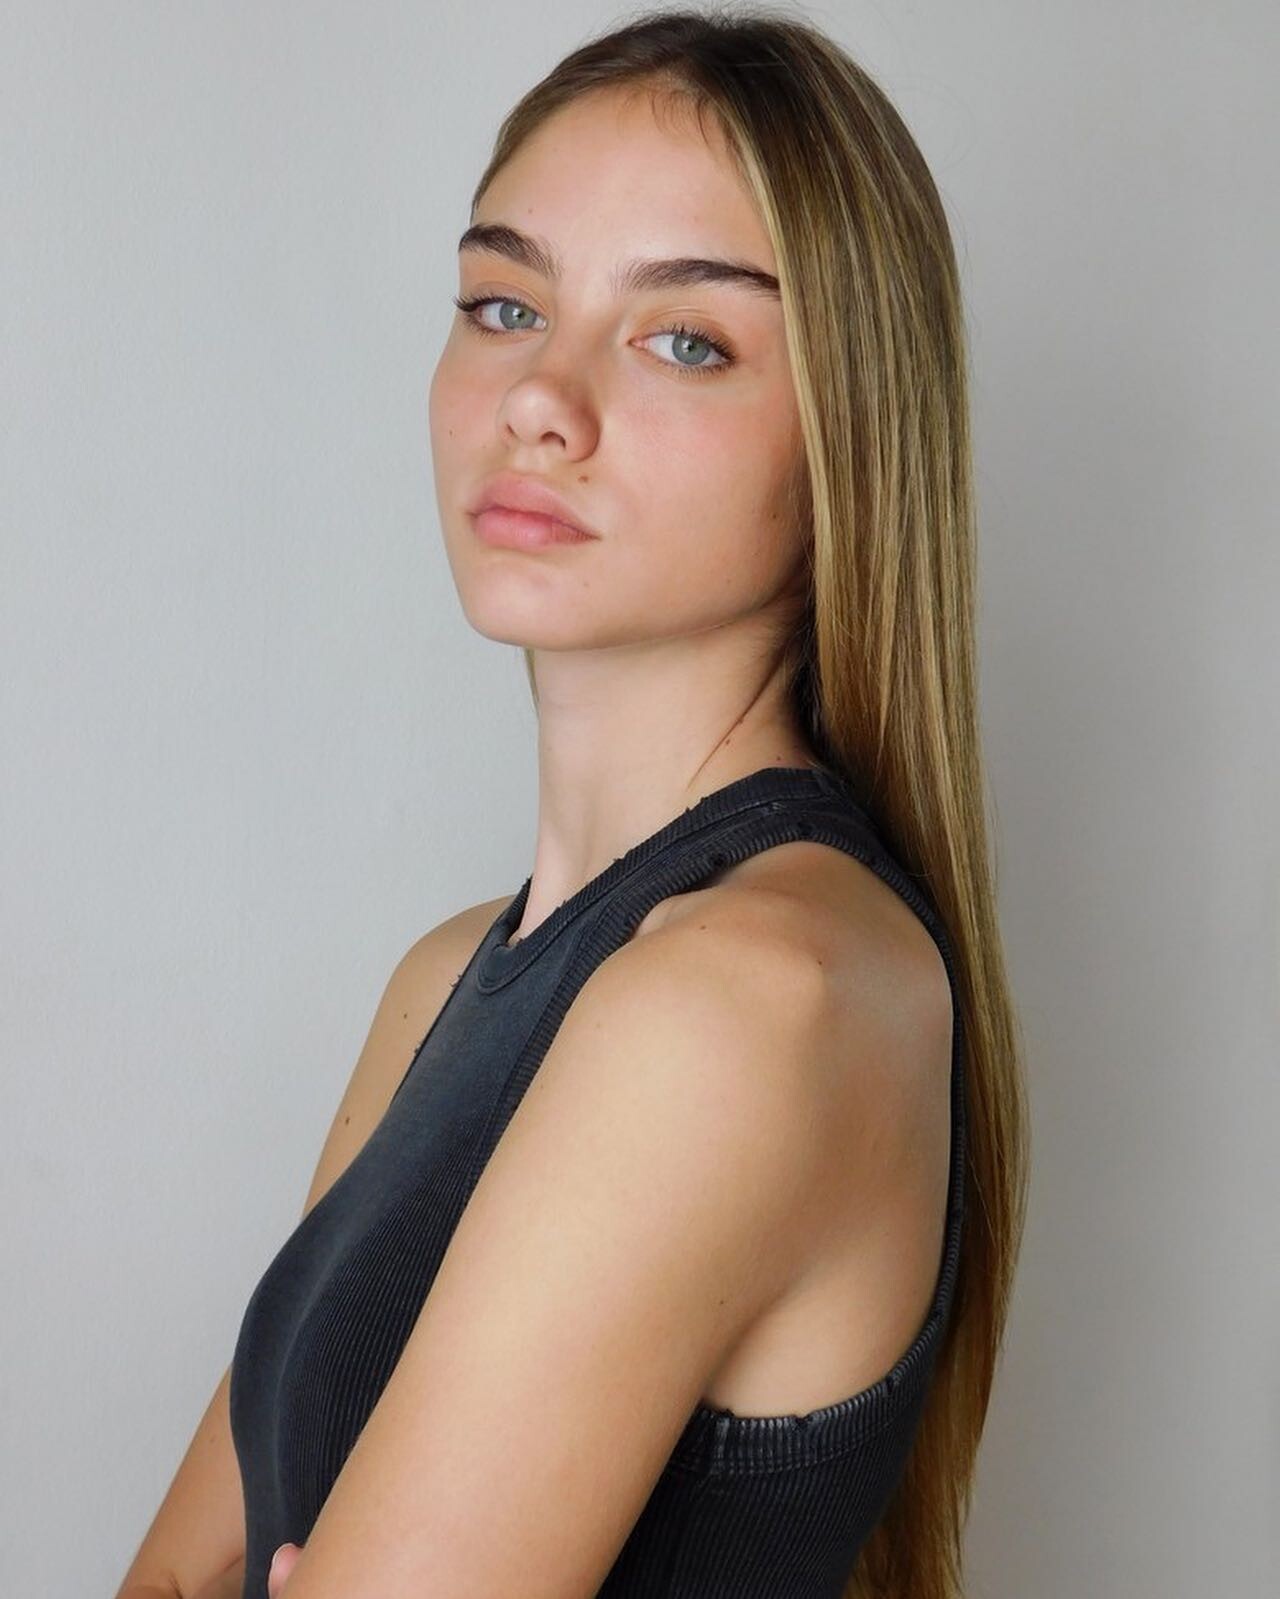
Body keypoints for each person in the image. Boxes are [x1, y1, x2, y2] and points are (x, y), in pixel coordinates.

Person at [116, 8, 1028, 1598]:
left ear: (850, 439)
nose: (541, 395)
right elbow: (175, 1573)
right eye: (504, 303)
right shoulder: (448, 980)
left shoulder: (749, 999)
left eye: (686, 341)